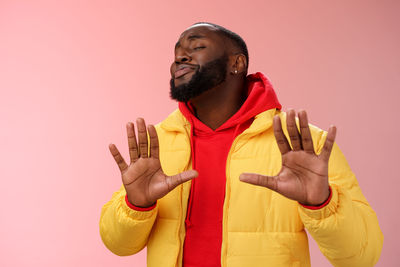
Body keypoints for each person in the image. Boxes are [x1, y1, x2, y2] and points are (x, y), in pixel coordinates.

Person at [99, 22, 383, 267]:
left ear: (237, 63)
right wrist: (136, 204)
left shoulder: (304, 145)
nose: (179, 57)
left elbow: (362, 256)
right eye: (176, 52)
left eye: (196, 46)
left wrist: (321, 203)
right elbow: (119, 245)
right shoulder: (156, 145)